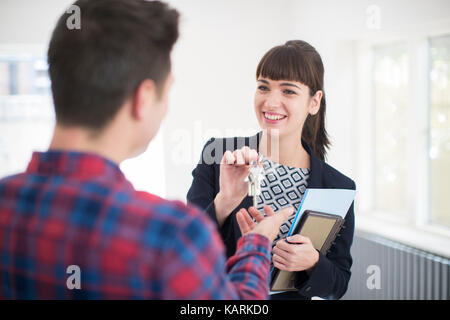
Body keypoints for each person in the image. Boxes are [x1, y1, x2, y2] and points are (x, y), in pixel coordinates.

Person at [0, 0, 294, 299]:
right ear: (144, 98)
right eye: (167, 92)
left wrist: (224, 201)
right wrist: (257, 244)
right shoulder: (168, 235)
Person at [187, 40, 356, 300]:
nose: (271, 101)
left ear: (314, 102)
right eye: (263, 87)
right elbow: (186, 248)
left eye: (288, 91)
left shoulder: (337, 186)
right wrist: (224, 203)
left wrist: (312, 263)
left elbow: (339, 283)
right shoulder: (219, 156)